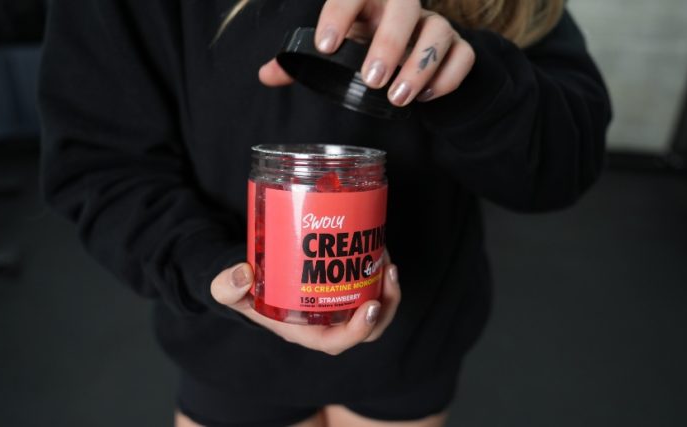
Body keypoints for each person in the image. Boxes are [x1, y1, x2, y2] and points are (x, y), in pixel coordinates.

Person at [38, 0, 611, 426]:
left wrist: (473, 81)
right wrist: (212, 268)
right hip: (228, 349)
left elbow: (563, 168)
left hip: (416, 340)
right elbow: (101, 165)